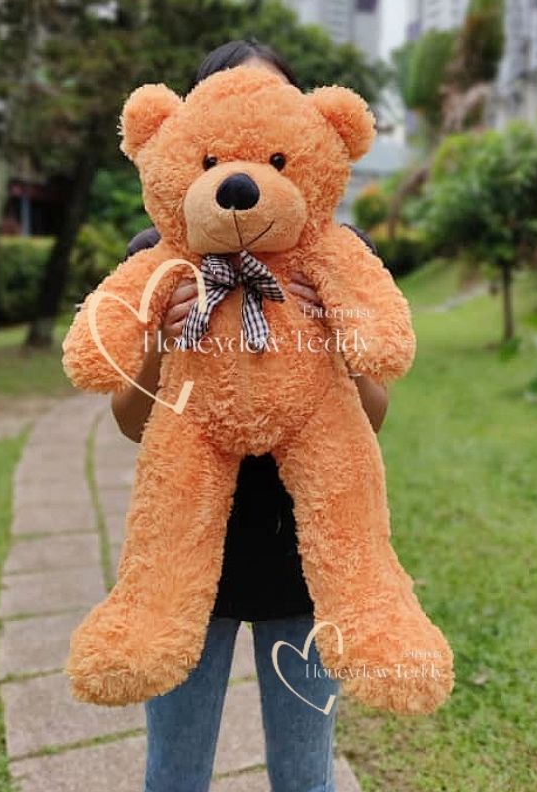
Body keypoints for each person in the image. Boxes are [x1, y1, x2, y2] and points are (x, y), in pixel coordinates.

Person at [112, 39, 389, 792]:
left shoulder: (338, 255)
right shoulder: (159, 255)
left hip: (304, 553)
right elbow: (131, 420)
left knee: (304, 774)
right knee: (175, 772)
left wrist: (334, 339)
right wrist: (159, 341)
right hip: (186, 554)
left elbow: (374, 413)